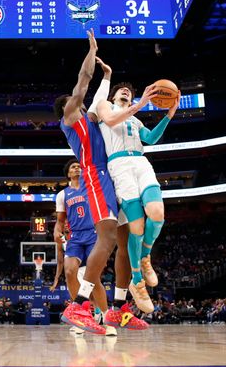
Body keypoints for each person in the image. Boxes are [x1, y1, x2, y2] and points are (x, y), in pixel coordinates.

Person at [53, 30, 155, 335]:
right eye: (76, 102)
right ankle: (80, 305)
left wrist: (109, 77)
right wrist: (91, 52)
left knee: (128, 240)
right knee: (109, 237)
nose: (81, 104)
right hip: (95, 177)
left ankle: (120, 309)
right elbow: (84, 83)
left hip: (115, 174)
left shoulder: (96, 119)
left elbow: (100, 101)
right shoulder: (71, 118)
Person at [91, 72, 179, 312]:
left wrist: (169, 115)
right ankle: (137, 281)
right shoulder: (105, 107)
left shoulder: (136, 121)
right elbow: (110, 121)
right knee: (136, 227)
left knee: (157, 212)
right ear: (114, 95)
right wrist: (140, 104)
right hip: (119, 166)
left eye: (129, 90)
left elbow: (150, 139)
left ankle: (145, 257)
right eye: (122, 90)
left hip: (140, 162)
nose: (126, 91)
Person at [53, 159, 147, 334]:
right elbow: (60, 221)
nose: (77, 169)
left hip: (94, 234)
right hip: (75, 237)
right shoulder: (62, 195)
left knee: (93, 278)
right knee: (70, 272)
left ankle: (107, 317)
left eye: (79, 167)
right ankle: (81, 316)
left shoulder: (92, 188)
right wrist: (56, 232)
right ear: (68, 174)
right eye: (73, 167)